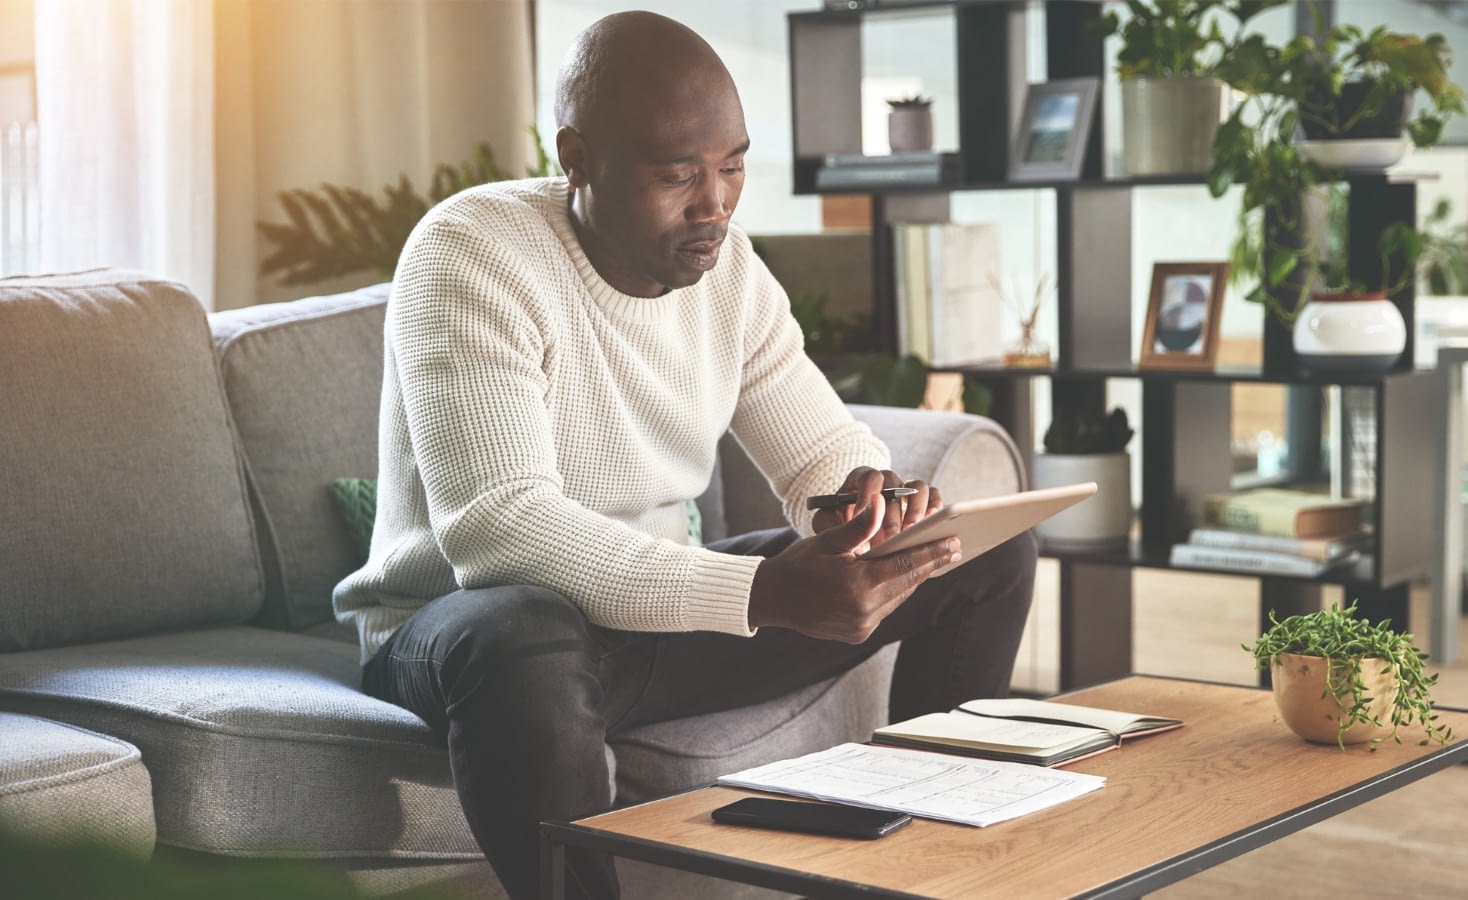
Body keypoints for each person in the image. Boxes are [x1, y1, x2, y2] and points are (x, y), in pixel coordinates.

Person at [333, 10, 1037, 899]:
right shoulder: (472, 251)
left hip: (646, 629)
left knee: (976, 551)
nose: (714, 204)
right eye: (677, 175)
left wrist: (869, 501)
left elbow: (818, 446)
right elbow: (498, 531)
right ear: (578, 159)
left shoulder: (728, 270)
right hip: (463, 630)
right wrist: (761, 592)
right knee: (525, 629)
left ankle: (936, 873)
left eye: (733, 167)